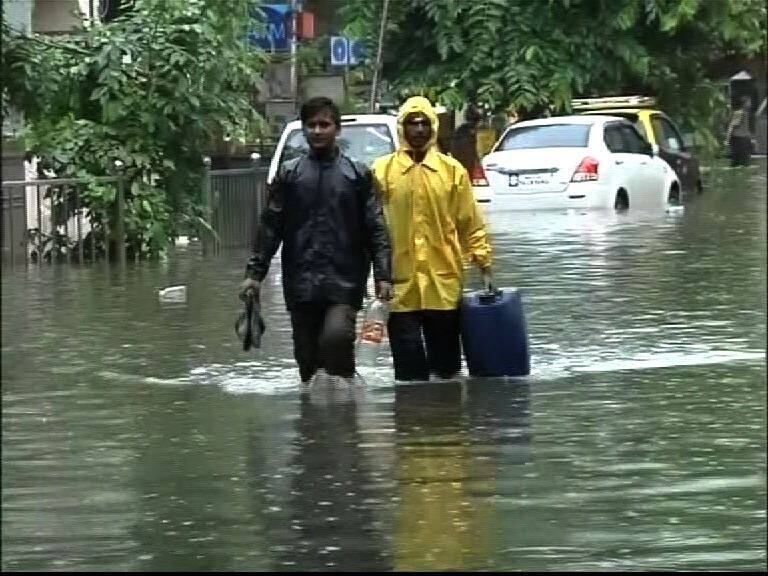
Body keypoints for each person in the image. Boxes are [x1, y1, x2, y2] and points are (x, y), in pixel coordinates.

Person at [240, 96, 392, 385]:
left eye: (324, 124)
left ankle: (348, 404)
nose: (318, 131)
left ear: (337, 129)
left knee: (335, 339)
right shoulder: (289, 174)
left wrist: (383, 274)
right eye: (311, 125)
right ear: (304, 129)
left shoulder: (357, 175)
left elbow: (376, 227)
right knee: (307, 360)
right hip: (301, 282)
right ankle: (313, 424)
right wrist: (254, 275)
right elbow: (270, 227)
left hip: (344, 282)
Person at [372, 96, 493, 382]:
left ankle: (446, 423)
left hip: (443, 283)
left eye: (424, 123)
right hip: (400, 287)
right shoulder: (381, 172)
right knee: (409, 372)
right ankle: (413, 424)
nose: (418, 130)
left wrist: (483, 262)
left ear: (433, 127)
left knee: (447, 369)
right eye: (412, 123)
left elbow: (469, 222)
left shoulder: (452, 172)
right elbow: (370, 227)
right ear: (402, 128)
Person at [725, 95, 753, 167]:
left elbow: (745, 127)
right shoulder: (739, 113)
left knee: (746, 161)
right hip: (738, 139)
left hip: (745, 138)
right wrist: (727, 140)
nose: (750, 104)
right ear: (744, 103)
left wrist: (750, 138)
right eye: (749, 102)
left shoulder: (746, 113)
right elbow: (731, 126)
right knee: (736, 161)